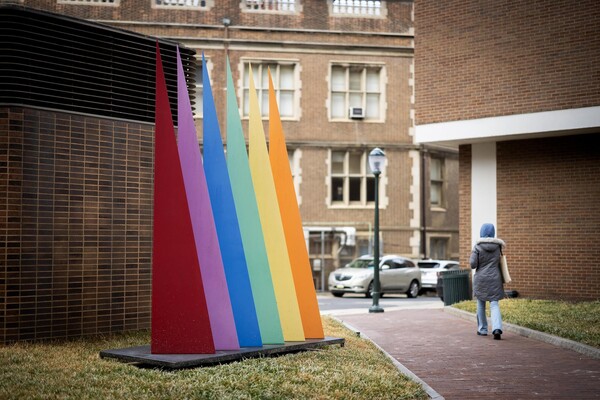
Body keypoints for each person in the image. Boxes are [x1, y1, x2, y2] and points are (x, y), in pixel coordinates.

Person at [470, 223, 506, 340]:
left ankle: (483, 330)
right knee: (494, 304)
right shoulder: (498, 247)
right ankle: (497, 328)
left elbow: (473, 264)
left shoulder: (477, 247)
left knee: (481, 304)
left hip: (481, 279)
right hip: (495, 278)